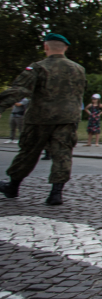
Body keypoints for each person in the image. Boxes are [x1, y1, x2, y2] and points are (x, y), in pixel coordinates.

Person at [0, 34, 86, 205]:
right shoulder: (78, 69)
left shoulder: (38, 67)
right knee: (63, 154)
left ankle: (13, 186)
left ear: (46, 47)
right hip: (68, 118)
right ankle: (56, 193)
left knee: (28, 152)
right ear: (65, 48)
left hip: (40, 118)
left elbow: (20, 90)